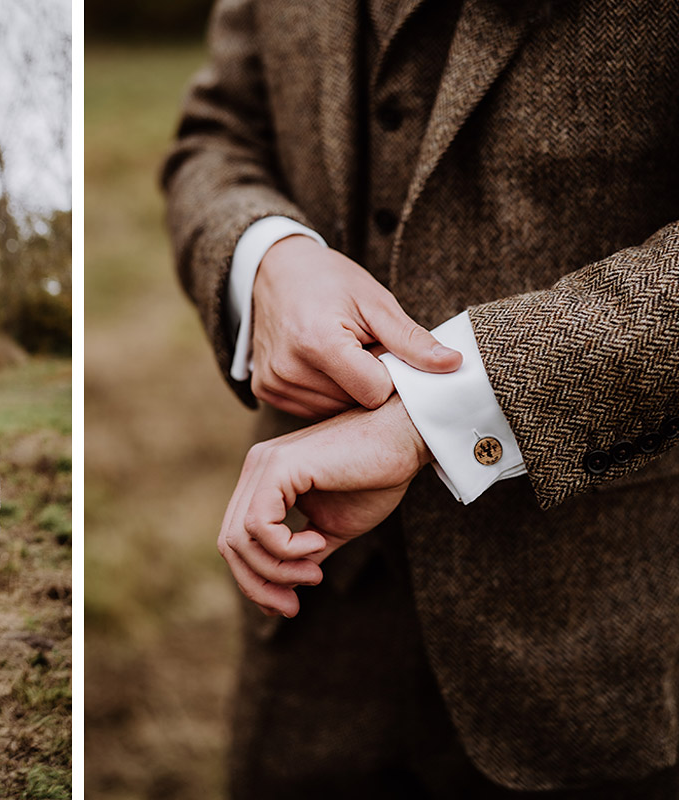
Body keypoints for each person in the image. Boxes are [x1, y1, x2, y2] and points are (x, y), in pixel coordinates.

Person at [163, 1, 679, 797]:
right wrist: (265, 253)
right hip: (310, 619)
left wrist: (443, 409)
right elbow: (219, 129)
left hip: (600, 653)